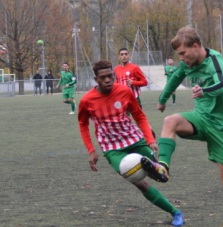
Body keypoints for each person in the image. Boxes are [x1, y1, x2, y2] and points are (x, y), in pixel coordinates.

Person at [140, 27, 223, 225]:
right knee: (171, 121)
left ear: (195, 46)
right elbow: (176, 77)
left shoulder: (215, 61)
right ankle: (163, 167)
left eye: (183, 54)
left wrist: (204, 90)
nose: (182, 59)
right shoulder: (188, 63)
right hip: (201, 118)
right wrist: (162, 100)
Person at [78, 60, 184, 226]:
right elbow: (83, 125)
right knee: (139, 182)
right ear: (96, 79)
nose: (107, 80)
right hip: (112, 148)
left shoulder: (125, 91)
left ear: (114, 75)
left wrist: (150, 140)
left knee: (161, 177)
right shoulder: (87, 100)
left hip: (134, 139)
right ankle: (175, 212)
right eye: (102, 77)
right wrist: (91, 150)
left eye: (110, 76)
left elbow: (139, 116)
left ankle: (154, 164)